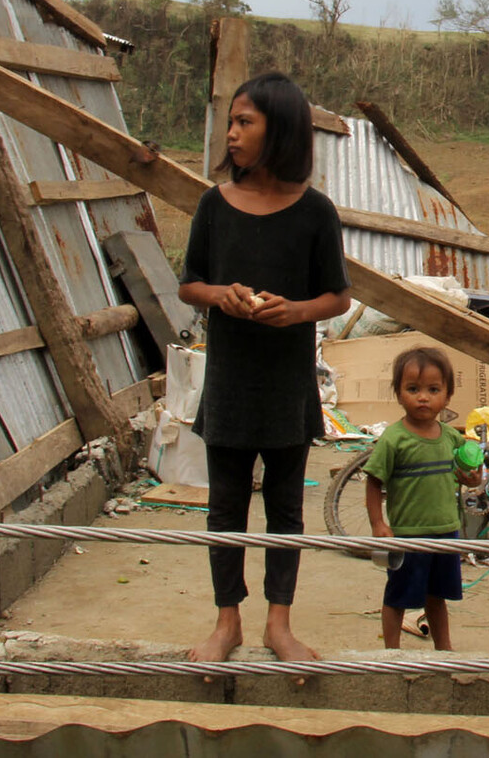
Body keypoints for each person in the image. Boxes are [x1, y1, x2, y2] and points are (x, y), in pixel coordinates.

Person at [177, 72, 352, 662]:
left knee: (284, 508)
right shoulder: (213, 205)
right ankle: (226, 623)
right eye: (231, 121)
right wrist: (220, 294)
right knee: (224, 506)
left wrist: (294, 311)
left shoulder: (315, 213)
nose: (231, 134)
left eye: (244, 122)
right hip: (229, 382)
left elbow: (337, 298)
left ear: (279, 131)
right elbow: (189, 285)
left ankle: (279, 625)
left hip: (286, 386)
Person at [362, 346, 481, 651]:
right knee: (398, 596)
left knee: (437, 597)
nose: (423, 397)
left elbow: (467, 474)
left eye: (433, 389)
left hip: (445, 533)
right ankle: (392, 652)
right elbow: (374, 482)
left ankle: (445, 650)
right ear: (399, 393)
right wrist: (378, 523)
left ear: (448, 395)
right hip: (407, 535)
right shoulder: (394, 439)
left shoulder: (452, 437)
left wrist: (473, 477)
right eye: (413, 389)